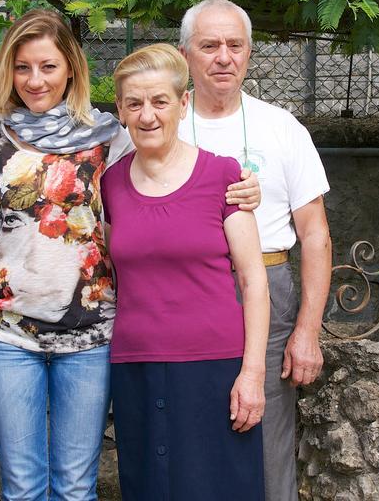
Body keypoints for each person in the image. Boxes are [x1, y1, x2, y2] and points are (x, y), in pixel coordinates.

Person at [0, 15, 261, 501]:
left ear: (71, 69)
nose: (36, 79)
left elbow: (168, 155)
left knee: (76, 484)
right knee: (21, 486)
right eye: (22, 67)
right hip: (9, 332)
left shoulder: (107, 141)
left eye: (49, 65)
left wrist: (242, 186)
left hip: (91, 333)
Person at [178, 0, 332, 501]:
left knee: (265, 432)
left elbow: (315, 235)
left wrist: (308, 329)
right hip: (186, 292)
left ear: (248, 53)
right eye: (209, 45)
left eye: (235, 45)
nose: (223, 56)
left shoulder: (282, 127)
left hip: (269, 290)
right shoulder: (161, 122)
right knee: (192, 435)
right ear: (186, 55)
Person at [101, 43, 269, 500]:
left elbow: (254, 281)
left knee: (221, 487)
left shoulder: (223, 176)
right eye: (134, 103)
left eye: (159, 101)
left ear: (183, 103)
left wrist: (252, 374)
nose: (148, 115)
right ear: (120, 110)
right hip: (136, 365)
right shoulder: (110, 183)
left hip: (214, 368)